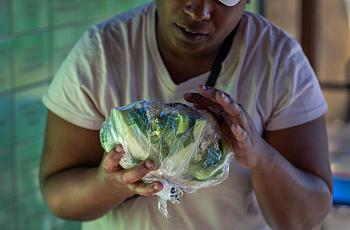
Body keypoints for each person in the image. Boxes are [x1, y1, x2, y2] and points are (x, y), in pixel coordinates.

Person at [39, 0, 333, 229]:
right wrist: (110, 185)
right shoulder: (102, 54)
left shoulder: (278, 61)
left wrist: (259, 155)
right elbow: (58, 196)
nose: (200, 10)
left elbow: (306, 218)